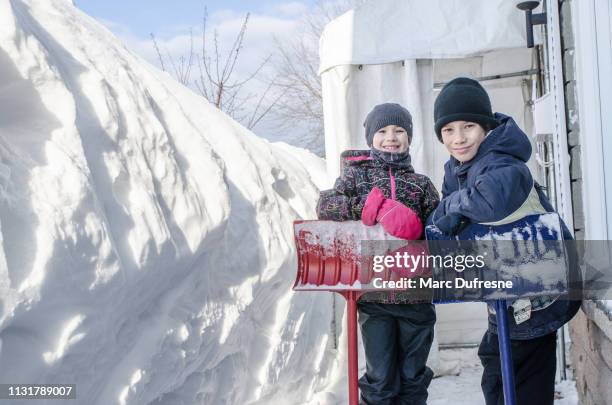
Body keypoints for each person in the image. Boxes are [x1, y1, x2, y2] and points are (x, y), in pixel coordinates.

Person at [430, 77, 581, 405]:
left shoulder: (503, 161)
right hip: (510, 288)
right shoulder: (460, 167)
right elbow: (446, 216)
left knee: (522, 378)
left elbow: (487, 201)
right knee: (497, 368)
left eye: (468, 126)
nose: (458, 138)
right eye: (448, 130)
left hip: (540, 290)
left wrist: (449, 209)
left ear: (485, 126)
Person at [317, 103, 440, 405]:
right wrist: (371, 207)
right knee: (381, 379)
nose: (391, 137)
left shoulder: (421, 184)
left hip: (416, 298)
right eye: (382, 131)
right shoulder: (356, 178)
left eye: (399, 130)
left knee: (413, 378)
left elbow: (438, 233)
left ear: (409, 137)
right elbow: (325, 207)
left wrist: (423, 239)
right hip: (374, 299)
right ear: (371, 137)